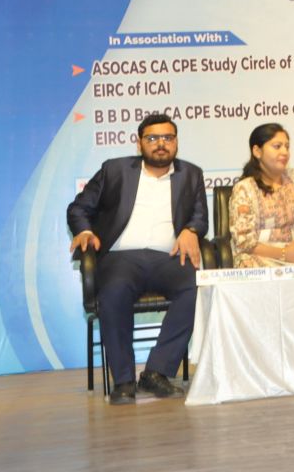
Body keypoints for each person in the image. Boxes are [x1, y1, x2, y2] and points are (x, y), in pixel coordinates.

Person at [67, 113, 207, 405]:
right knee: (114, 291)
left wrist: (192, 230)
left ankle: (157, 372)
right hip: (122, 258)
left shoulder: (191, 174)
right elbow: (79, 208)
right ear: (139, 142)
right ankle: (123, 380)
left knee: (196, 288)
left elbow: (199, 217)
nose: (161, 144)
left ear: (176, 142)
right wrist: (85, 231)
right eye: (152, 138)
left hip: (168, 257)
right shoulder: (115, 170)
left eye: (167, 138)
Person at [229, 123, 294, 267]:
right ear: (257, 151)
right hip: (257, 259)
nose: (284, 152)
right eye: (277, 146)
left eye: (287, 147)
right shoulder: (244, 188)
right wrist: (285, 254)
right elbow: (244, 241)